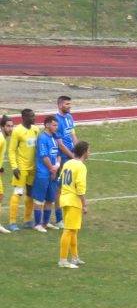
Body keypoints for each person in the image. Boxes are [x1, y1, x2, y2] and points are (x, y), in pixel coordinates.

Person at [58, 141, 89, 268]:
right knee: (68, 230)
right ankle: (63, 260)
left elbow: (60, 180)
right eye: (89, 150)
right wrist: (84, 203)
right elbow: (80, 186)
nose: (90, 153)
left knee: (73, 230)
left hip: (64, 198)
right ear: (84, 152)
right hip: (73, 201)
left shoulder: (67, 163)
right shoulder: (81, 166)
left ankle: (75, 257)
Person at [7, 109, 39, 231]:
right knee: (18, 192)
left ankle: (27, 220)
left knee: (30, 193)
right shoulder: (17, 131)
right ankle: (12, 222)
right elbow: (11, 150)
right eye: (31, 116)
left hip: (33, 168)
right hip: (21, 168)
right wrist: (14, 166)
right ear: (24, 117)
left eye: (34, 115)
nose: (34, 118)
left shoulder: (36, 130)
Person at [31, 115, 61, 234]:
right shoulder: (42, 138)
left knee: (50, 199)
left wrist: (57, 165)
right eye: (54, 125)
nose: (56, 127)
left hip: (52, 173)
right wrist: (52, 169)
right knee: (39, 200)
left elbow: (58, 153)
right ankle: (37, 224)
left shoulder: (54, 137)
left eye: (57, 125)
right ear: (47, 125)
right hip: (43, 174)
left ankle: (45, 222)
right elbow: (44, 156)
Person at [53, 95, 77, 228]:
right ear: (60, 104)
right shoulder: (55, 120)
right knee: (60, 189)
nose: (70, 106)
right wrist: (73, 156)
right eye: (67, 104)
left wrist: (79, 151)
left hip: (72, 156)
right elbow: (60, 144)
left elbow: (73, 135)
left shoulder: (69, 117)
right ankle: (58, 219)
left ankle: (68, 215)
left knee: (71, 187)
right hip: (62, 158)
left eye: (70, 104)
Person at [0, 114, 12, 235]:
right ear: (2, 126)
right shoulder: (1, 139)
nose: (11, 129)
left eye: (12, 126)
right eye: (8, 126)